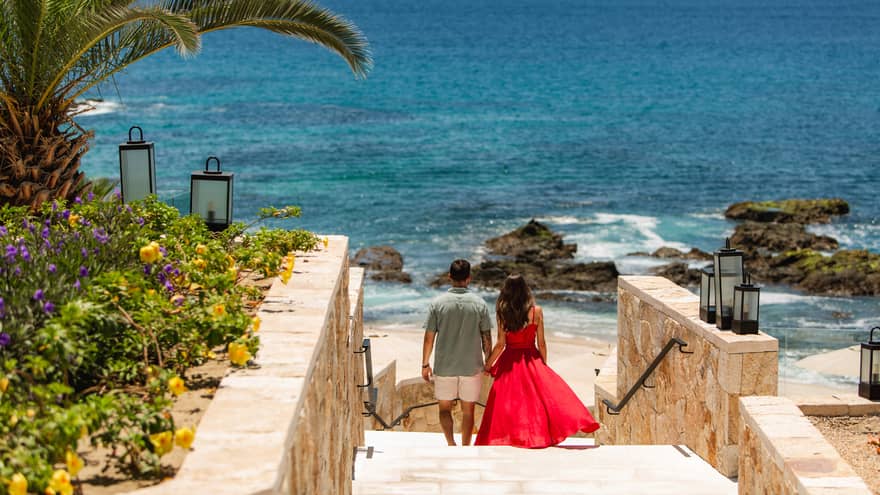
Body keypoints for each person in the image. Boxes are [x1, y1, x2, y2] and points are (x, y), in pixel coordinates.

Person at [475, 274, 599, 448]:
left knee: (508, 403)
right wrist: (542, 365)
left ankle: (511, 437)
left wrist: (488, 365)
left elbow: (500, 344)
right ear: (525, 290)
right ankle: (535, 436)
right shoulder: (536, 312)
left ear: (506, 290)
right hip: (531, 357)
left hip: (510, 361)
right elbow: (541, 342)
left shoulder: (502, 312)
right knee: (535, 403)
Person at [422, 259, 493, 446]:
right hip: (472, 366)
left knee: (444, 408)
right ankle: (465, 446)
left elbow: (429, 337)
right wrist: (488, 363)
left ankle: (451, 444)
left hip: (445, 366)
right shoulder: (480, 304)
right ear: (469, 278)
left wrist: (425, 364)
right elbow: (487, 337)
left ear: (449, 277)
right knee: (468, 410)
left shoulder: (437, 304)